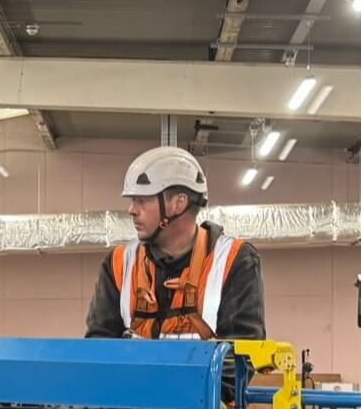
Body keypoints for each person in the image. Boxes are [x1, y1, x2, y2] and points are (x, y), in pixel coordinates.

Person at [86, 145, 266, 340]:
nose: (132, 209)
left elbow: (242, 355)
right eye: (132, 200)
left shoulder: (235, 260)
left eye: (142, 200)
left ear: (178, 204)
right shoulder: (119, 265)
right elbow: (99, 348)